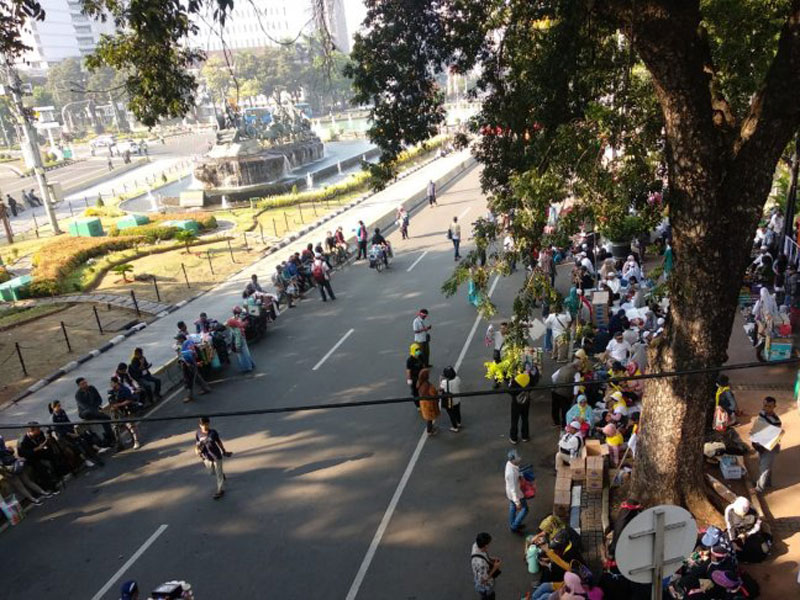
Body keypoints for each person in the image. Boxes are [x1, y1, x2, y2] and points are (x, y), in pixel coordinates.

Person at [49, 400, 102, 468]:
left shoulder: (62, 412)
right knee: (76, 446)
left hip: (70, 432)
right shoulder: (53, 418)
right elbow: (59, 430)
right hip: (63, 436)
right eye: (58, 406)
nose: (60, 407)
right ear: (53, 408)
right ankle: (86, 459)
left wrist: (73, 430)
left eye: (60, 405)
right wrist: (70, 434)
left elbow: (68, 422)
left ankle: (94, 456)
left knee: (83, 441)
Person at [724, 496, 771, 562]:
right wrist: (733, 541)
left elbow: (757, 526)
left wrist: (746, 534)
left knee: (763, 551)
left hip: (750, 532)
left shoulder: (754, 511)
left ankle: (767, 537)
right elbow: (730, 526)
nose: (741, 516)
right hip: (736, 532)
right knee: (725, 544)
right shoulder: (729, 509)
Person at [195, 417, 232, 500]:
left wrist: (223, 451)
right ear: (200, 425)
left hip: (216, 455)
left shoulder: (213, 432)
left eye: (207, 424)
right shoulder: (198, 433)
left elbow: (219, 442)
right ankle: (222, 474)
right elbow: (197, 444)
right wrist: (197, 450)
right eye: (203, 425)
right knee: (211, 472)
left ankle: (220, 490)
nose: (205, 426)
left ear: (209, 424)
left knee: (218, 474)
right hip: (206, 457)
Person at [751, 396, 782, 493]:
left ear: (774, 407)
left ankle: (759, 488)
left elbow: (774, 437)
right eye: (765, 405)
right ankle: (767, 483)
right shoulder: (762, 413)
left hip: (770, 447)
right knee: (764, 464)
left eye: (769, 406)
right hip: (761, 445)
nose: (766, 408)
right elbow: (758, 426)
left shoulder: (776, 421)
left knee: (764, 467)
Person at [74, 377, 115, 446]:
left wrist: (97, 407)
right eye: (83, 384)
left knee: (105, 418)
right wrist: (95, 410)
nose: (85, 385)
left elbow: (98, 399)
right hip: (85, 412)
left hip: (94, 409)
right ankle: (108, 437)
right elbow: (84, 406)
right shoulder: (78, 395)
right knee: (91, 412)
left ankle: (109, 437)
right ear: (79, 386)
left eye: (85, 383)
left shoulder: (92, 388)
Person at [176, 334, 212, 402]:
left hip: (188, 365)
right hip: (193, 363)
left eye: (178, 339)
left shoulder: (185, 345)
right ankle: (206, 388)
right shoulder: (190, 343)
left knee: (188, 380)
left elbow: (186, 356)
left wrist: (186, 363)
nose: (177, 341)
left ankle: (190, 396)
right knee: (196, 377)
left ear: (181, 339)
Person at [471, 532, 501, 600]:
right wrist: (495, 567)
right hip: (485, 587)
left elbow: (483, 554)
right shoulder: (481, 564)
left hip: (478, 577)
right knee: (489, 597)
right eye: (489, 544)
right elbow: (483, 580)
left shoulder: (475, 545)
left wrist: (490, 558)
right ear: (485, 545)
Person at [551, 360, 581, 427]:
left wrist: (556, 384)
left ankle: (556, 422)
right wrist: (575, 395)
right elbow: (576, 386)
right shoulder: (576, 373)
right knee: (565, 409)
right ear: (578, 367)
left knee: (555, 407)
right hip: (565, 393)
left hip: (555, 391)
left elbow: (553, 376)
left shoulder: (563, 368)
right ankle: (564, 425)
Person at [505, 449, 527, 533]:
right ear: (513, 460)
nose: (519, 459)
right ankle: (514, 526)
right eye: (517, 458)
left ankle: (513, 524)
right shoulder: (511, 473)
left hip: (510, 494)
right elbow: (513, 489)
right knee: (525, 509)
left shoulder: (509, 464)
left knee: (512, 507)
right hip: (516, 494)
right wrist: (517, 502)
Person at [508, 372, 534, 444]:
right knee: (525, 419)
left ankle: (513, 438)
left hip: (516, 403)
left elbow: (510, 391)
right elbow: (533, 384)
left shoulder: (517, 380)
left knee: (514, 420)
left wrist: (510, 382)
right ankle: (525, 436)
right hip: (526, 402)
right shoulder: (528, 378)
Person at [417, 368, 440, 435]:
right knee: (430, 419)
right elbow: (433, 394)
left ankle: (430, 429)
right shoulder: (428, 385)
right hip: (429, 404)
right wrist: (437, 390)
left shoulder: (419, 383)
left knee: (428, 418)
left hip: (423, 403)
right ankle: (429, 431)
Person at [439, 366, 462, 432]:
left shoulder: (444, 382)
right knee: (457, 411)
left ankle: (455, 427)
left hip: (449, 400)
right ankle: (459, 422)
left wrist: (440, 380)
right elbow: (459, 383)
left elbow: (440, 389)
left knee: (451, 413)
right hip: (457, 399)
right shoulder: (457, 378)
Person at [406, 343, 425, 408]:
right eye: (416, 350)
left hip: (421, 377)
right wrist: (409, 379)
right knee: (415, 393)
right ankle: (418, 406)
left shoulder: (421, 356)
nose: (418, 351)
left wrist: (424, 373)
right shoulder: (410, 360)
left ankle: (423, 403)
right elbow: (408, 371)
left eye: (419, 349)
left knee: (423, 390)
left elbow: (423, 366)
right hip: (414, 378)